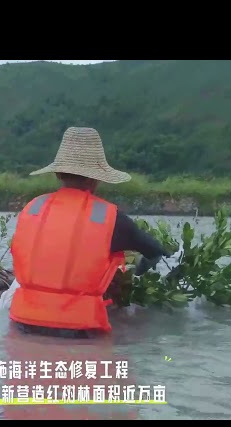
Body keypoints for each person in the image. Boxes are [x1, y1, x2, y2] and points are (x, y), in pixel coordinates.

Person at [9, 127, 169, 338]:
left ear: (58, 173)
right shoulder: (111, 218)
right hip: (80, 332)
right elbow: (158, 252)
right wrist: (136, 277)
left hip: (22, 325)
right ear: (96, 179)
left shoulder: (33, 208)